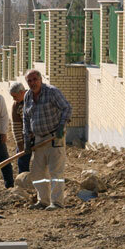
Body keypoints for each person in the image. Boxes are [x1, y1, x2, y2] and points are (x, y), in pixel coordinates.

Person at [22, 69, 72, 210]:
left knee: (55, 172)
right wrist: (26, 139)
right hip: (38, 140)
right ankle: (43, 200)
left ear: (40, 79)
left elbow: (67, 108)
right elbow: (26, 118)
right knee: (38, 172)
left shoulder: (52, 92)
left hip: (54, 137)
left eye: (34, 80)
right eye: (29, 81)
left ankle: (56, 202)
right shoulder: (28, 96)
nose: (32, 83)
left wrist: (62, 125)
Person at [9, 82, 30, 174]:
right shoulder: (16, 105)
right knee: (22, 161)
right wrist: (20, 144)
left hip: (39, 137)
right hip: (25, 138)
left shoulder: (33, 99)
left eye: (15, 96)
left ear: (22, 92)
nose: (14, 99)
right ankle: (23, 181)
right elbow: (16, 127)